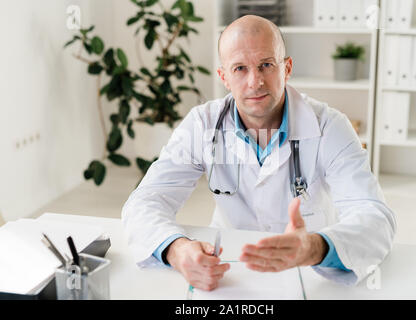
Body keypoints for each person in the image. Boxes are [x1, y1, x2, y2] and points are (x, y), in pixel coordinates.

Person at [122, 15, 396, 290]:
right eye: (240, 68)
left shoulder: (330, 126)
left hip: (312, 271)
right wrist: (177, 250)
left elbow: (375, 217)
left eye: (266, 65)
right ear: (224, 77)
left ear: (286, 68)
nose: (255, 82)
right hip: (229, 268)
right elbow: (144, 202)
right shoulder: (202, 124)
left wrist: (313, 248)